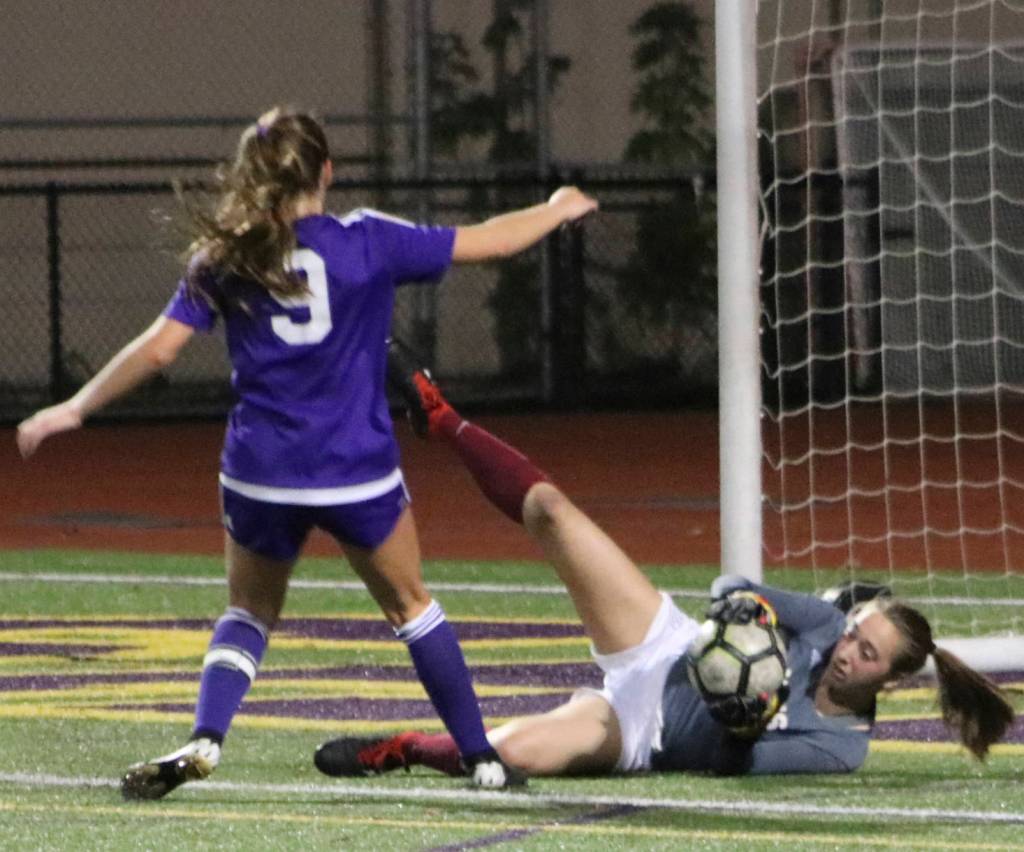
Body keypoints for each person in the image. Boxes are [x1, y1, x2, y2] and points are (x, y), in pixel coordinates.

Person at [15, 106, 598, 798]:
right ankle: (483, 758)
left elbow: (161, 348)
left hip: (260, 473)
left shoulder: (229, 253)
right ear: (327, 170)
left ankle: (206, 736)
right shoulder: (368, 240)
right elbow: (492, 242)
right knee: (413, 609)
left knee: (248, 613)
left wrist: (74, 408)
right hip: (354, 470)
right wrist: (557, 207)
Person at [314, 347, 1016, 779]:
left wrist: (748, 705)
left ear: (889, 685)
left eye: (867, 656)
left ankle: (403, 749)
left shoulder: (840, 748)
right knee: (554, 513)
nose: (847, 652)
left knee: (506, 757)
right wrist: (744, 618)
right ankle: (440, 416)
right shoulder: (827, 630)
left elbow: (735, 761)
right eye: (857, 633)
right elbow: (734, 586)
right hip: (663, 640)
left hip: (643, 733)